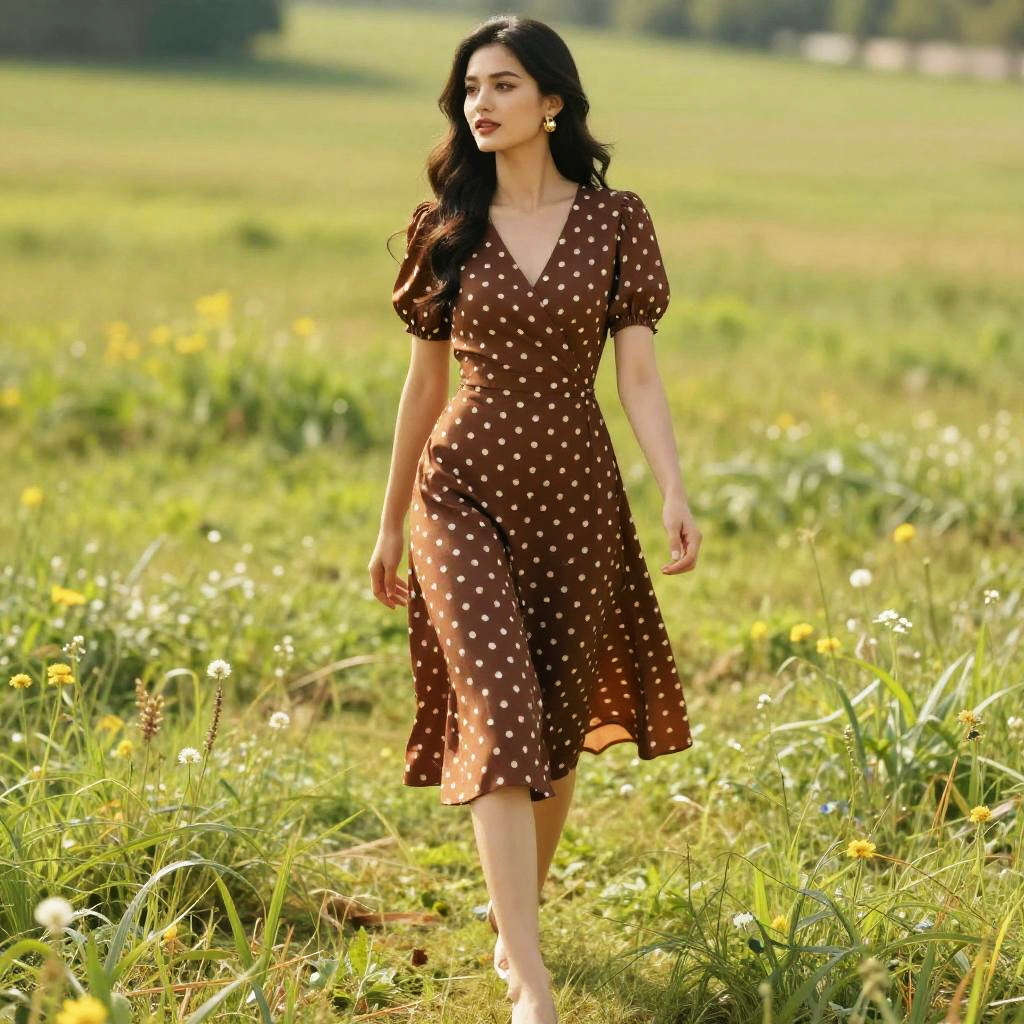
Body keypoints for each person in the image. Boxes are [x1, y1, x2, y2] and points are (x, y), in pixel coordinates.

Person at [367, 14, 701, 1024]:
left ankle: (518, 922)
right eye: (470, 88)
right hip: (458, 486)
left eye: (503, 84)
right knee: (502, 715)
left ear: (552, 101)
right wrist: (388, 526)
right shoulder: (444, 228)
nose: (481, 103)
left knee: (552, 730)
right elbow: (421, 391)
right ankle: (531, 982)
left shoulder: (616, 222)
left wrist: (672, 485)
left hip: (573, 490)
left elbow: (636, 373)